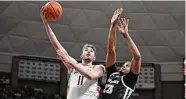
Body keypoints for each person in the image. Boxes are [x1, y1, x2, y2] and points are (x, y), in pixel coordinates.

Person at [40, 7, 105, 99]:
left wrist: (70, 62)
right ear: (81, 55)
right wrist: (45, 23)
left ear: (94, 57)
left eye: (91, 51)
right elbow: (57, 45)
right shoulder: (73, 66)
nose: (89, 51)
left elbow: (90, 76)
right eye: (86, 50)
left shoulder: (99, 67)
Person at [101, 8, 141, 99]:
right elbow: (111, 51)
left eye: (127, 65)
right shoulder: (113, 73)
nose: (123, 66)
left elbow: (137, 57)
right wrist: (113, 25)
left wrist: (126, 36)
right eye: (124, 64)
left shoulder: (130, 79)